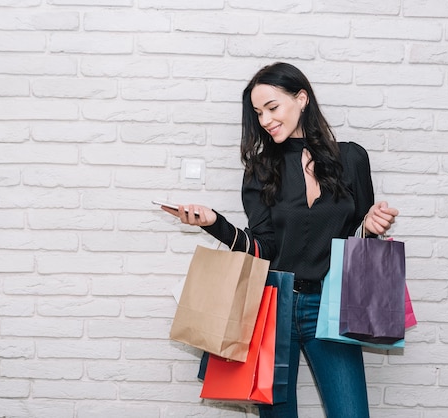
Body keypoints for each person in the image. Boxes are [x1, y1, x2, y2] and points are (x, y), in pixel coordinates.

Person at [160, 62, 399, 418]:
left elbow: (359, 245)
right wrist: (215, 224)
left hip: (329, 307)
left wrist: (371, 226)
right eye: (258, 113)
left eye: (272, 107)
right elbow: (263, 249)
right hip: (273, 308)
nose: (265, 120)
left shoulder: (351, 158)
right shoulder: (260, 169)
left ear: (301, 98)